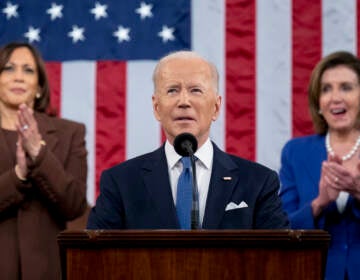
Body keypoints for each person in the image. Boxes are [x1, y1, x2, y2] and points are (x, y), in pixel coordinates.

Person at [87, 50, 289, 230]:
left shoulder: (258, 182)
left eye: (196, 90)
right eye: (172, 90)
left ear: (216, 108)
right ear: (157, 107)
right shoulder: (121, 183)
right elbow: (94, 259)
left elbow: (281, 259)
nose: (184, 101)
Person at [0, 42, 88, 279]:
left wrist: (39, 155)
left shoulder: (70, 133)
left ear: (39, 87)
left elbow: (75, 205)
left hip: (48, 271)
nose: (18, 77)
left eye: (28, 70)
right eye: (9, 69)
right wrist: (18, 175)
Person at [279, 51, 360, 280]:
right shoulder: (295, 152)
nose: (335, 97)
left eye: (346, 87)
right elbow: (281, 227)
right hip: (314, 271)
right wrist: (319, 203)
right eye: (326, 89)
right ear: (319, 104)